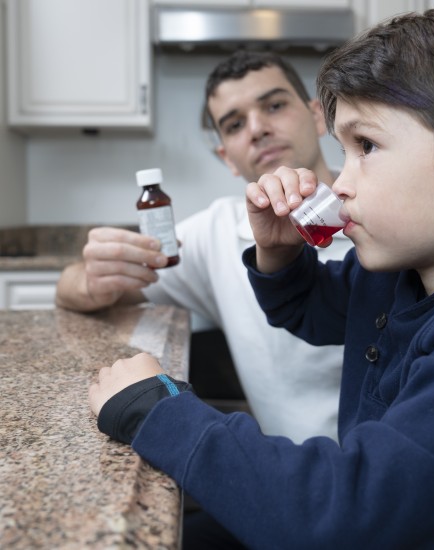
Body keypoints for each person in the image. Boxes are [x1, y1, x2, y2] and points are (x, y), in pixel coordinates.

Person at [88, 4, 434, 548]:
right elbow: (311, 310)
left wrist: (154, 409)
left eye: (367, 146)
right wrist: (282, 256)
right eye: (345, 150)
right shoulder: (410, 267)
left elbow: (343, 518)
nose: (342, 183)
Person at [56, 51, 352, 443]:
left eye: (275, 105)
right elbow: (73, 290)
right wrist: (91, 278)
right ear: (226, 157)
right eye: (234, 124)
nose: (257, 128)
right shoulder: (216, 234)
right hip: (290, 477)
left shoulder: (379, 211)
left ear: (318, 116)